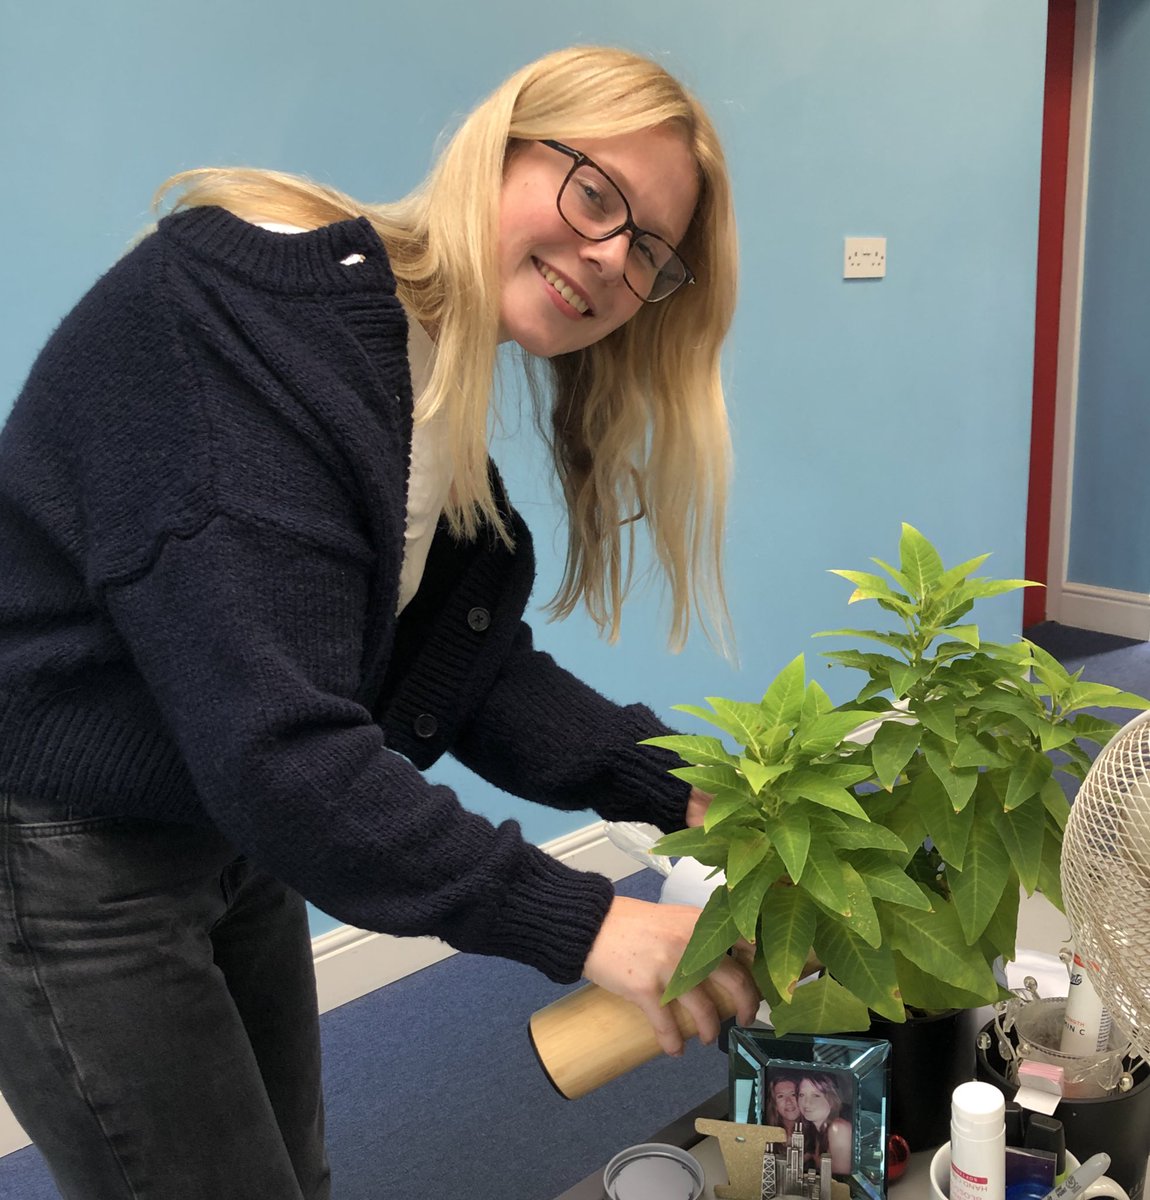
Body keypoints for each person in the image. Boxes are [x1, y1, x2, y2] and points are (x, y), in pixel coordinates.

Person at [0, 44, 758, 1200]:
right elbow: (284, 753)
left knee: (294, 1173)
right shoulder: (255, 325)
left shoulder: (418, 369)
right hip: (64, 843)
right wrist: (586, 922)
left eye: (649, 250)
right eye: (595, 194)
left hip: (223, 822)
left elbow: (465, 669)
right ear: (500, 149)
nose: (612, 257)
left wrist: (685, 788)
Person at [797, 1072, 853, 1174]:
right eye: (801, 1095)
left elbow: (842, 1180)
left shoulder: (839, 1129)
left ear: (832, 1098)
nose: (806, 1102)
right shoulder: (818, 1132)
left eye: (816, 1095)